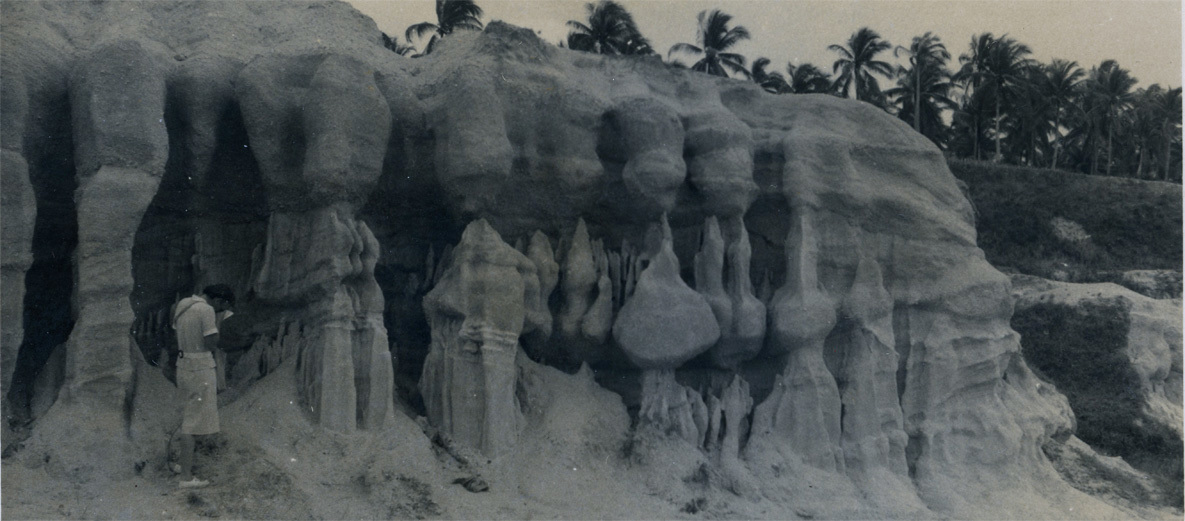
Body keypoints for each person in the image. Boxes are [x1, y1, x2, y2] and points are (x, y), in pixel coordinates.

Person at [171, 284, 234, 488]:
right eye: (222, 306)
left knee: (188, 415)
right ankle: (186, 478)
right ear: (218, 301)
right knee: (193, 422)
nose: (220, 310)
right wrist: (218, 323)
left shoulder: (183, 304)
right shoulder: (206, 310)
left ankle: (183, 465)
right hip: (200, 368)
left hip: (183, 366)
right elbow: (211, 343)